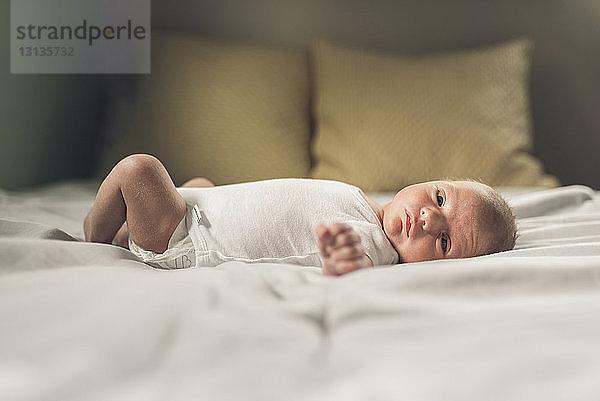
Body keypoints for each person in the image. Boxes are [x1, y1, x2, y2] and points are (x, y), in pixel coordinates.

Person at [84, 154, 517, 275]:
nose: (427, 220)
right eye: (439, 200)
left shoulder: (371, 246)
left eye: (444, 243)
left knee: (138, 170)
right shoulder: (362, 202)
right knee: (199, 185)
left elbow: (341, 267)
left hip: (186, 241)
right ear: (432, 180)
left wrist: (341, 264)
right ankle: (130, 227)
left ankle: (95, 234)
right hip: (199, 210)